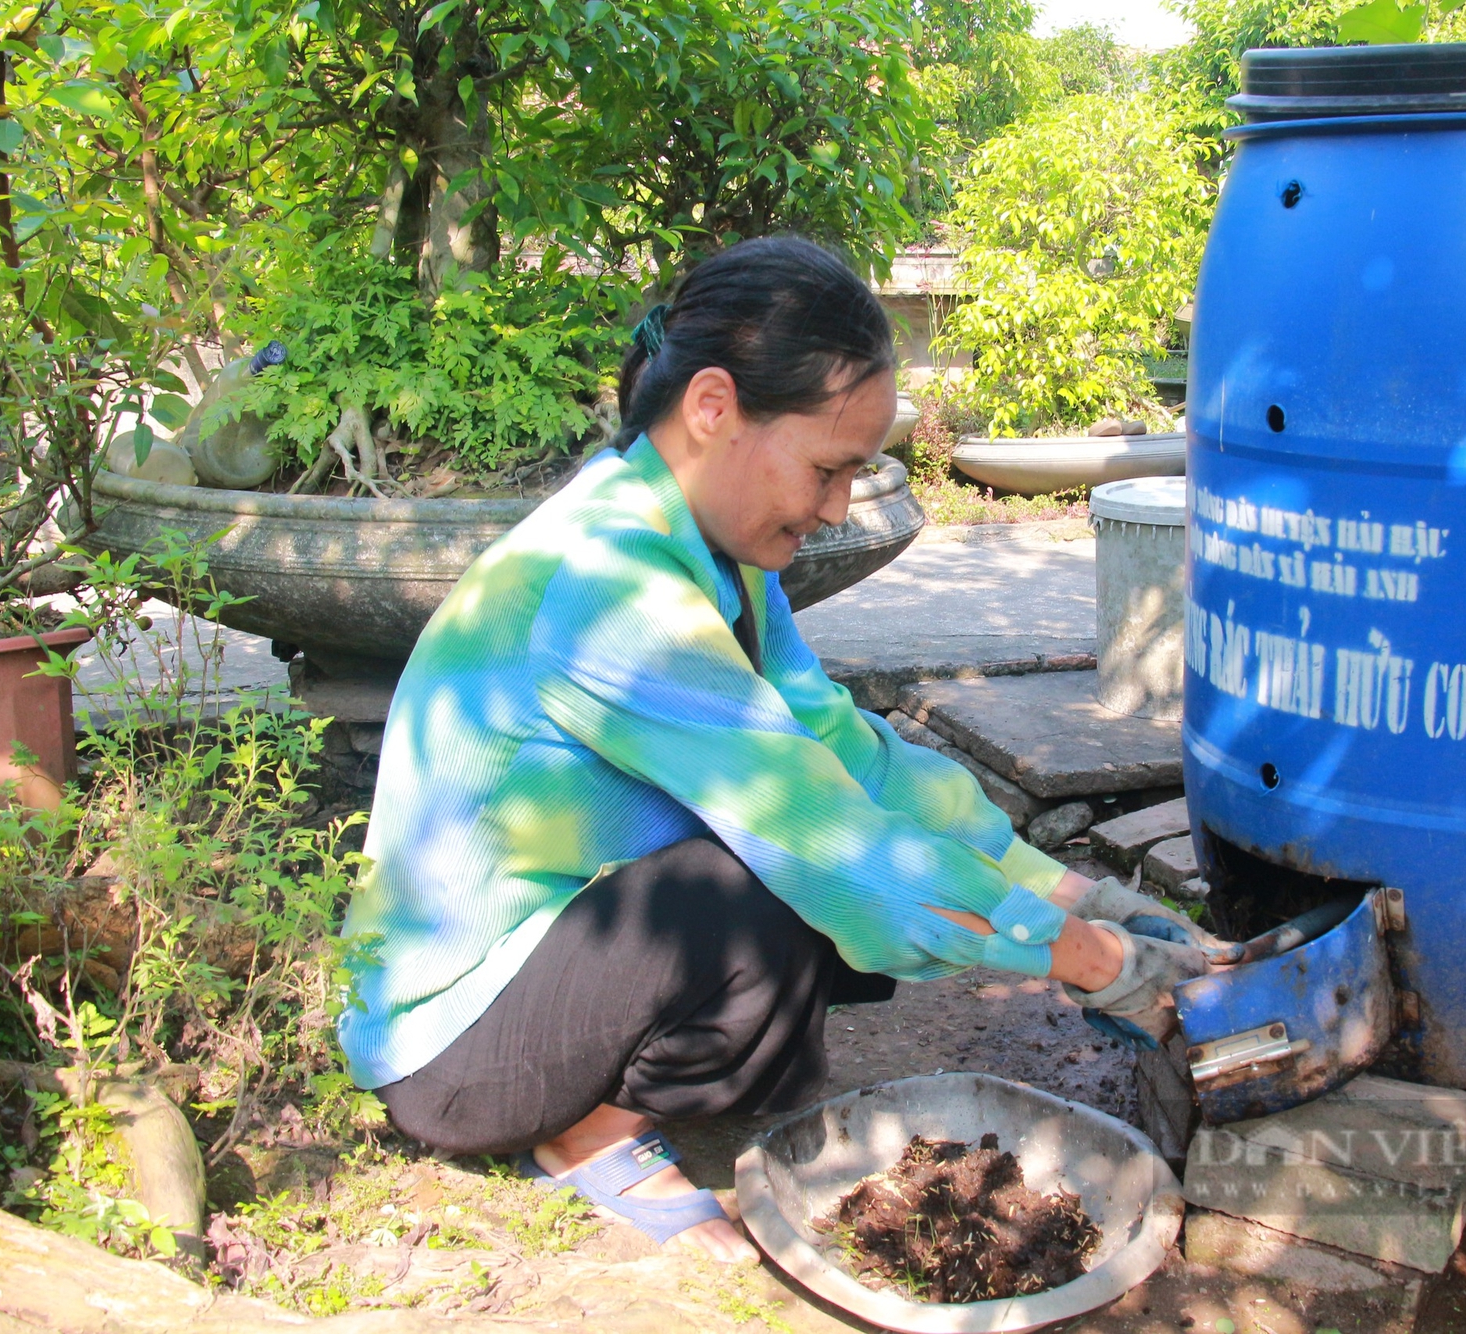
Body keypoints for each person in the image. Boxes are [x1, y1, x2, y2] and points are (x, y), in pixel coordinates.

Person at [335, 236, 1240, 1262]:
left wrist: (1070, 892)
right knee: (775, 885)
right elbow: (824, 838)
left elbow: (846, 755)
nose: (835, 507)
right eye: (827, 467)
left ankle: (619, 1092)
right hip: (455, 1045)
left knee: (821, 910)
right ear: (713, 407)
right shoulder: (602, 585)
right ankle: (583, 1141)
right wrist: (1098, 965)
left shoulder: (714, 557)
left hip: (564, 954)